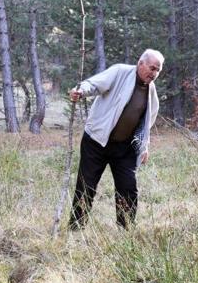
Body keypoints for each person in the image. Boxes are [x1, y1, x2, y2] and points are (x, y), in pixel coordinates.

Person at [68, 49, 163, 230]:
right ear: (140, 63)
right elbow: (95, 84)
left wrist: (144, 146)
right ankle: (76, 229)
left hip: (124, 148)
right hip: (96, 141)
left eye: (158, 70)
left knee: (128, 188)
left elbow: (146, 122)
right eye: (152, 68)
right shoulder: (120, 72)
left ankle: (125, 229)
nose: (154, 73)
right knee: (86, 186)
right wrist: (80, 91)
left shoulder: (151, 91)